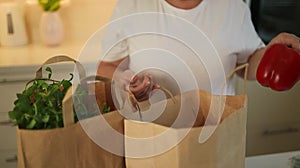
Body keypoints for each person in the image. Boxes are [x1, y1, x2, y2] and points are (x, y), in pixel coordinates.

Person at [97, 0, 300, 102]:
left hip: (217, 136)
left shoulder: (232, 6)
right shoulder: (132, 5)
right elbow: (107, 67)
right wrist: (122, 81)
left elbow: (246, 64)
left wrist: (274, 53)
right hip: (150, 137)